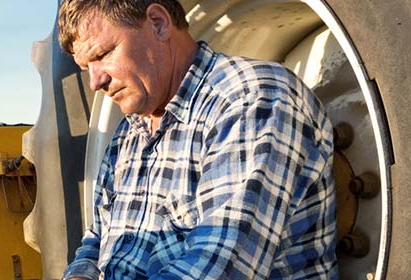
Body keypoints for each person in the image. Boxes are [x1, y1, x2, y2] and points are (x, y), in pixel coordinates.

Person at [56, 0, 339, 279]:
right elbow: (98, 240)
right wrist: (81, 274)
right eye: (86, 68)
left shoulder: (251, 100)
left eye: (103, 54)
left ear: (158, 23)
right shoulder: (128, 134)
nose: (95, 82)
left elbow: (220, 266)